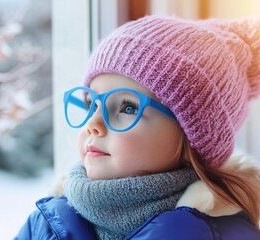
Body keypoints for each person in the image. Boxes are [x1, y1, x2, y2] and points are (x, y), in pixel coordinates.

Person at [15, 15, 260, 240]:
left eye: (128, 108)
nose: (93, 124)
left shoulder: (223, 234)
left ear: (191, 142)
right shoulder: (45, 223)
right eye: (91, 104)